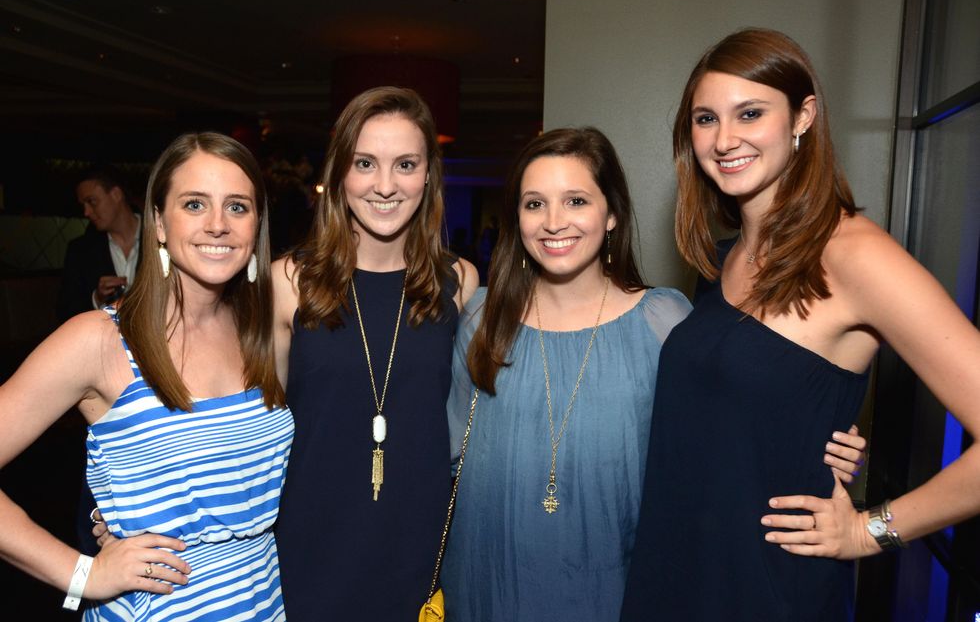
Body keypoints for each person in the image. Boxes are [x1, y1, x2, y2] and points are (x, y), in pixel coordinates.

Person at [620, 28, 980, 621]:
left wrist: (872, 531)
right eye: (705, 118)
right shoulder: (725, 256)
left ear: (803, 117)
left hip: (768, 589)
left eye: (750, 113)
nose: (724, 138)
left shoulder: (856, 255)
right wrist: (810, 433)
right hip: (678, 571)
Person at [439, 127, 865, 622]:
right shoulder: (478, 318)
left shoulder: (665, 321)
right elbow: (443, 454)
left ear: (612, 213)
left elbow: (724, 444)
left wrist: (817, 447)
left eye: (576, 200)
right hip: (489, 582)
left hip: (623, 588)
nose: (554, 222)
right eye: (534, 204)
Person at [0, 132, 293, 620]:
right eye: (195, 204)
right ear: (158, 221)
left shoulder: (260, 333)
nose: (218, 225)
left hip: (263, 601)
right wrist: (83, 574)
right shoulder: (99, 340)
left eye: (238, 207)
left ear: (257, 224)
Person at [271, 86, 478, 621]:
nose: (385, 186)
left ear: (429, 174)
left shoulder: (459, 283)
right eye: (366, 163)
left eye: (405, 164)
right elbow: (251, 424)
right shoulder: (290, 282)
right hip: (313, 547)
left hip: (422, 549)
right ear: (340, 172)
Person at [57, 167, 142, 322]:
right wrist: (97, 298)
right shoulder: (80, 251)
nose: (86, 212)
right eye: (83, 205)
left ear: (116, 194)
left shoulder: (162, 239)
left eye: (92, 202)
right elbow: (66, 312)